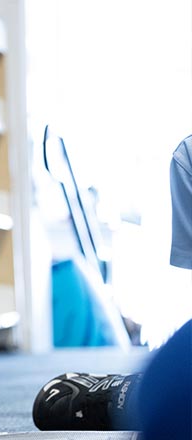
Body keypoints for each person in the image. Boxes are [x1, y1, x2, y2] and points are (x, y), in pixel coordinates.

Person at [32, 134, 192, 439]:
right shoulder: (190, 157)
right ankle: (137, 392)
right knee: (169, 394)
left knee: (168, 396)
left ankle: (129, 392)